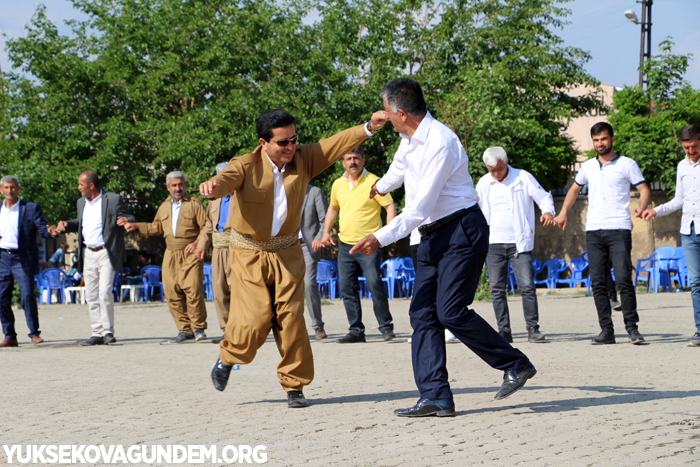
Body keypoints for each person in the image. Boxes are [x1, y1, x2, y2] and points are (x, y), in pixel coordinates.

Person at [352, 78, 537, 417]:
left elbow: (419, 207)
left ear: (402, 112)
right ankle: (435, 395)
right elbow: (399, 169)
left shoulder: (441, 142)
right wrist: (380, 185)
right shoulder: (409, 138)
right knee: (422, 313)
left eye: (386, 112)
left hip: (461, 231)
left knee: (449, 310)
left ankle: (515, 363)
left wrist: (379, 237)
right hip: (431, 236)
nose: (384, 117)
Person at [200, 108, 384, 409]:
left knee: (292, 320)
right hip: (249, 252)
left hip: (287, 251)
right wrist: (213, 186)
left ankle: (294, 385)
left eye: (294, 140)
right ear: (264, 143)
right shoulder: (245, 165)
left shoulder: (302, 159)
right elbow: (225, 180)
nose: (290, 147)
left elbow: (335, 143)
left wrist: (368, 127)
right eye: (283, 142)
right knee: (256, 319)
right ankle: (228, 358)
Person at [553, 122, 650, 345]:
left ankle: (632, 328)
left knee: (624, 279)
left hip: (619, 228)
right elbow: (574, 189)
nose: (600, 144)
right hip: (594, 230)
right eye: (596, 140)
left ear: (612, 139)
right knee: (597, 282)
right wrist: (563, 213)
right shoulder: (587, 166)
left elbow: (644, 189)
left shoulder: (627, 164)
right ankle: (607, 331)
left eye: (604, 139)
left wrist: (642, 207)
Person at [476, 147, 555, 343]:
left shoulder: (523, 177)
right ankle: (504, 331)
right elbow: (475, 208)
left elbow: (543, 197)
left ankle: (533, 328)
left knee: (527, 286)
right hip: (493, 242)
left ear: (507, 162)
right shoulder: (484, 183)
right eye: (491, 170)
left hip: (519, 242)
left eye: (499, 169)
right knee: (496, 288)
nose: (496, 174)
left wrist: (547, 212)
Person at [119, 171, 208, 343]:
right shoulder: (164, 206)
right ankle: (184, 329)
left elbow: (206, 227)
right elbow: (155, 228)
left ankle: (198, 328)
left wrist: (197, 243)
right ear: (168, 187)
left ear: (185, 186)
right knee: (171, 290)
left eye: (180, 185)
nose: (178, 188)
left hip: (190, 253)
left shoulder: (195, 204)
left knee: (193, 289)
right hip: (170, 253)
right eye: (174, 185)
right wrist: (136, 225)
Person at [320, 146, 397, 343]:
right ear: (343, 162)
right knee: (346, 287)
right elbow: (333, 208)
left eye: (356, 158)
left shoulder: (375, 182)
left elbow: (389, 206)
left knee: (374, 283)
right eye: (348, 159)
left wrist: (390, 231)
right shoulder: (338, 184)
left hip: (368, 244)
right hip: (345, 245)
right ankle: (356, 331)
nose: (352, 162)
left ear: (363, 160)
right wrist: (325, 232)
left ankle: (386, 326)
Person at [56, 171, 135, 346]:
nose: (78, 188)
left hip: (106, 252)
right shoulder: (81, 202)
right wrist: (67, 225)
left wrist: (126, 220)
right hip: (88, 252)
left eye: (80, 184)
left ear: (91, 185)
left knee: (104, 292)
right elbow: (80, 222)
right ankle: (96, 332)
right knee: (91, 294)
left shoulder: (113, 200)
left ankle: (108, 331)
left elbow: (130, 216)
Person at [642, 124, 700, 347]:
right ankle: (699, 330)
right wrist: (656, 210)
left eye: (694, 146)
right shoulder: (682, 167)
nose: (690, 151)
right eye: (686, 148)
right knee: (695, 281)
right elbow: (679, 199)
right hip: (690, 230)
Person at [0, 175, 57, 347]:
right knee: (1, 298)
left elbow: (42, 228)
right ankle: (10, 336)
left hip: (22, 258)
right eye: (6, 188)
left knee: (27, 296)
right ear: (1, 190)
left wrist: (51, 232)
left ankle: (34, 333)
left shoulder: (30, 208)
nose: (10, 191)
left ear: (18, 189)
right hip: (3, 257)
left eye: (13, 187)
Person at [195, 162, 234, 341]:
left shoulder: (242, 198)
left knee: (238, 291)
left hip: (238, 249)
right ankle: (227, 330)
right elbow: (208, 226)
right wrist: (202, 245)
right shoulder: (214, 201)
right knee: (219, 291)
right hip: (218, 250)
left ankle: (241, 330)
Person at [301, 184, 328, 340]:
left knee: (309, 283)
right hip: (285, 246)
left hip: (307, 245)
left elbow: (325, 220)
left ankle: (317, 326)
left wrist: (319, 237)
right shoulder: (280, 191)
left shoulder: (314, 192)